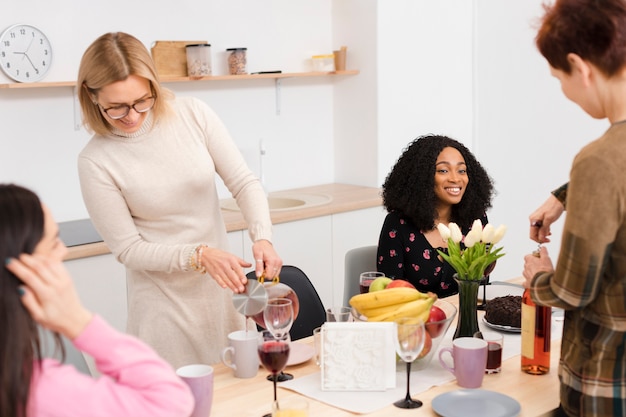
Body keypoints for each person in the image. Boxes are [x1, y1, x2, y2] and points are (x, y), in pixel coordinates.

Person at [75, 32, 282, 368]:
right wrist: (198, 255)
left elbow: (244, 182)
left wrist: (263, 237)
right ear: (91, 95)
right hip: (162, 309)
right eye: (116, 107)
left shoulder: (193, 115)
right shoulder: (96, 161)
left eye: (142, 100)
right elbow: (128, 249)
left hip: (222, 294)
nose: (132, 115)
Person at [0, 184, 193, 417]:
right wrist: (79, 322)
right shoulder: (36, 392)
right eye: (53, 243)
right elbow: (172, 403)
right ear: (22, 270)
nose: (63, 251)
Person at [523, 1, 626, 415]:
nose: (563, 92)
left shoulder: (599, 160)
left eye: (558, 77)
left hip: (606, 382)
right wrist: (566, 194)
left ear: (579, 67)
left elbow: (571, 290)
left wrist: (537, 277)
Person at [377, 134, 495, 297]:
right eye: (443, 170)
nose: (455, 179)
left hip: (465, 318)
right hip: (416, 319)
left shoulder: (476, 219)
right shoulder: (397, 224)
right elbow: (390, 294)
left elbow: (481, 287)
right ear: (422, 177)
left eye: (461, 170)